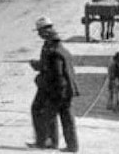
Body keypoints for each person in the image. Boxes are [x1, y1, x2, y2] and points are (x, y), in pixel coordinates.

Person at [28, 16, 79, 152]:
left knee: (44, 113)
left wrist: (40, 79)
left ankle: (45, 142)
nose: (38, 34)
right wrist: (38, 65)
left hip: (58, 89)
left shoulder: (53, 49)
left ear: (46, 31)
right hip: (65, 88)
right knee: (65, 116)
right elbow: (48, 66)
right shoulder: (54, 46)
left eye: (40, 31)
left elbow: (56, 73)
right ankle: (70, 145)